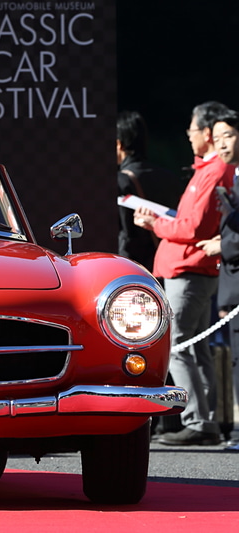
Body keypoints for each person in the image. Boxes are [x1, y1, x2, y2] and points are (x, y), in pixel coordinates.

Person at [134, 101, 235, 446]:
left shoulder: (214, 170)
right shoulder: (208, 169)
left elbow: (191, 226)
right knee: (196, 347)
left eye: (192, 130)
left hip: (189, 270)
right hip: (189, 268)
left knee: (179, 345)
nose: (189, 137)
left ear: (206, 132)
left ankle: (197, 421)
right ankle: (207, 420)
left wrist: (156, 223)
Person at [195, 109, 239, 450]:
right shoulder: (234, 177)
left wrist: (220, 244)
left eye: (229, 135)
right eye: (218, 136)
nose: (221, 143)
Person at [116, 111, 182, 270]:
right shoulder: (170, 177)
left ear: (119, 144)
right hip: (168, 262)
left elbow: (125, 234)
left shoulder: (120, 180)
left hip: (134, 267)